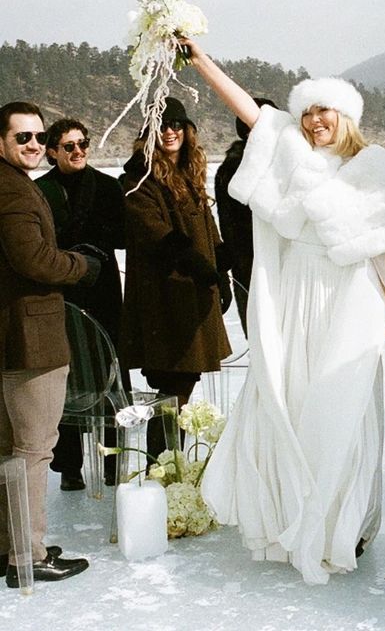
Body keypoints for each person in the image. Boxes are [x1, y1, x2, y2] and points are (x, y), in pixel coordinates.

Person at [181, 38, 385, 585]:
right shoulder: (292, 155)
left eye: (323, 110)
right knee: (295, 398)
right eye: (306, 112)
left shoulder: (371, 165)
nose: (312, 121)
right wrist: (201, 60)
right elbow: (252, 112)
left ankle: (340, 523)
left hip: (351, 296)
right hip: (298, 293)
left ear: (346, 115)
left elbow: (380, 243)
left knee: (344, 408)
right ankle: (295, 517)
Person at [0, 100, 97, 586]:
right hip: (30, 339)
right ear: (1, 141)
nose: (35, 145)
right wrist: (82, 266)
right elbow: (34, 260)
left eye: (39, 137)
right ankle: (28, 556)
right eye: (24, 138)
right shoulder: (15, 192)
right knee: (34, 450)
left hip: (11, 336)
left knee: (11, 449)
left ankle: (11, 546)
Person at [118, 97, 232, 459]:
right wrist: (201, 269)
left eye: (176, 124)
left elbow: (208, 230)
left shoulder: (189, 172)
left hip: (194, 296)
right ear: (149, 131)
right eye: (162, 125)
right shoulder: (138, 178)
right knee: (172, 391)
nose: (169, 131)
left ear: (187, 130)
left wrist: (222, 274)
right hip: (164, 302)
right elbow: (156, 233)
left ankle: (169, 465)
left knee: (180, 390)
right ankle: (164, 467)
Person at [36, 118, 126, 491]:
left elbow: (123, 237)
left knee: (110, 376)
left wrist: (95, 243)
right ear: (52, 151)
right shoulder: (40, 191)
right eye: (69, 146)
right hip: (61, 293)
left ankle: (111, 463)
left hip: (102, 291)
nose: (78, 152)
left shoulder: (107, 187)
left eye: (83, 144)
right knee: (66, 378)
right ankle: (69, 466)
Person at [214, 101, 276, 336]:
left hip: (289, 270)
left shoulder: (293, 162)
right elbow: (230, 231)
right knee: (265, 342)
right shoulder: (233, 170)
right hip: (253, 273)